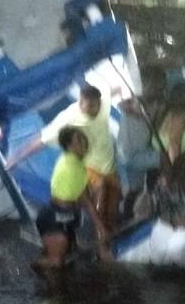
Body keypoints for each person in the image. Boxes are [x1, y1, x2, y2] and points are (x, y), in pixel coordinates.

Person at [7, 85, 120, 232]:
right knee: (100, 186)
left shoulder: (102, 103)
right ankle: (99, 234)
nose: (95, 110)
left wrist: (122, 92)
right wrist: (15, 159)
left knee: (113, 200)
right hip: (89, 167)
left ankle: (108, 231)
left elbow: (113, 90)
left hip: (108, 165)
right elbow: (40, 140)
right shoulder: (68, 118)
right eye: (90, 106)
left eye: (97, 106)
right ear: (81, 103)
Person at [34, 126, 110, 269]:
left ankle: (48, 257)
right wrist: (101, 228)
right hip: (53, 218)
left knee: (65, 260)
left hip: (67, 216)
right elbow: (85, 200)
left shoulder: (73, 161)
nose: (83, 143)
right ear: (69, 146)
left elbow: (82, 196)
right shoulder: (71, 165)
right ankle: (36, 266)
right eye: (78, 141)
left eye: (83, 139)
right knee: (56, 263)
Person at [117, 65, 166, 217]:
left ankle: (154, 200)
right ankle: (128, 217)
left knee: (165, 158)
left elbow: (156, 126)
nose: (151, 87)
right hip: (125, 154)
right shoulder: (131, 99)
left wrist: (145, 116)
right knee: (133, 191)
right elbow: (122, 105)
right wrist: (136, 110)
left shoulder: (159, 104)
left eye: (156, 84)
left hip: (141, 153)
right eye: (148, 83)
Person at [152, 83, 185, 165]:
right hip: (173, 161)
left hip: (161, 159)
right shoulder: (180, 115)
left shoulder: (164, 111)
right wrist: (174, 170)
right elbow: (174, 144)